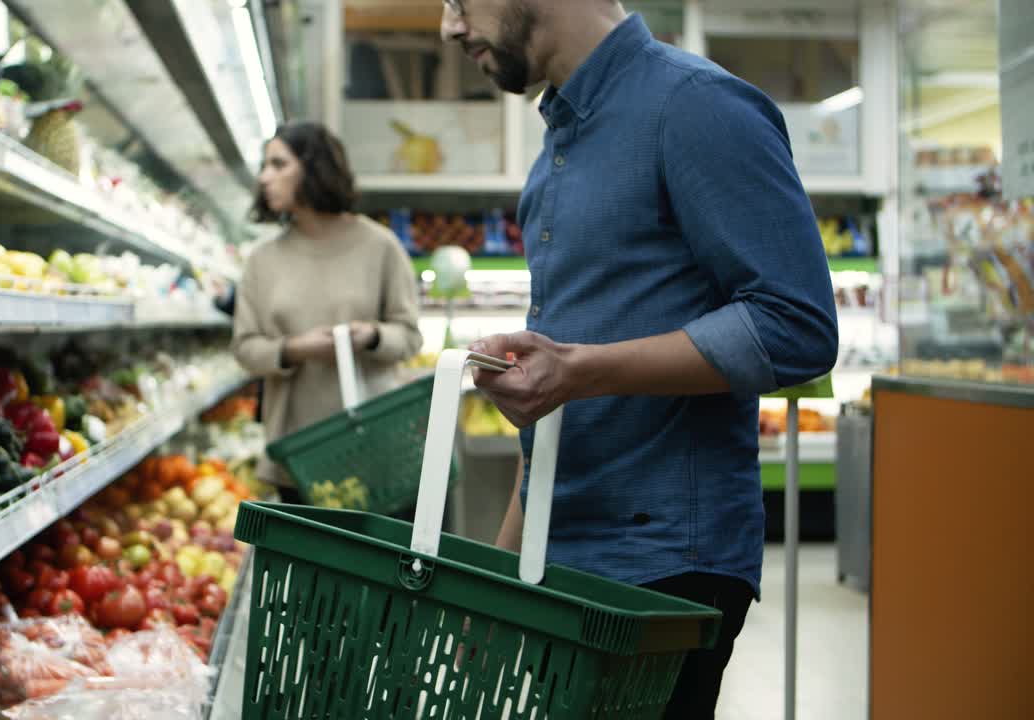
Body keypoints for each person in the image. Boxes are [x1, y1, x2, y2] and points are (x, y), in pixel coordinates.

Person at [440, 2, 839, 718]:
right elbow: (554, 404)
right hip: (562, 560)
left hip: (664, 569)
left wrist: (582, 369)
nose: (449, 25)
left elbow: (797, 324)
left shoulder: (696, 107)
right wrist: (501, 573)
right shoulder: (555, 154)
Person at [232, 122, 424, 499]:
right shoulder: (262, 260)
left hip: (373, 448)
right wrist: (294, 349)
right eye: (264, 166)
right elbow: (244, 349)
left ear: (314, 167)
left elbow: (410, 337)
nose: (264, 177)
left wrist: (372, 337)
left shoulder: (380, 247)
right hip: (296, 457)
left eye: (278, 164)